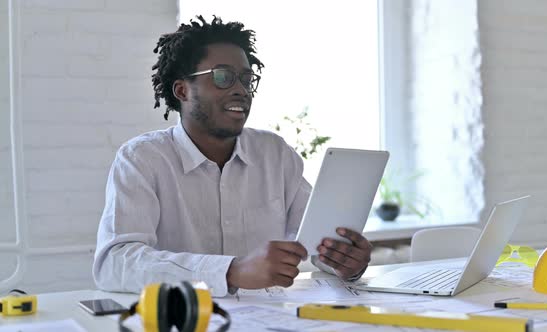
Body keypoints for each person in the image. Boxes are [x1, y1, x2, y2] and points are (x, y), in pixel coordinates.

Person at [92, 16, 372, 297]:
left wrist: (345, 262)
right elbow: (115, 263)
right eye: (222, 76)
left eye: (246, 78)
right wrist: (231, 271)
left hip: (269, 318)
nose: (240, 89)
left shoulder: (274, 153)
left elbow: (315, 243)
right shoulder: (142, 159)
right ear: (182, 90)